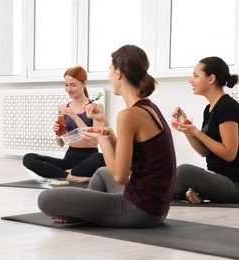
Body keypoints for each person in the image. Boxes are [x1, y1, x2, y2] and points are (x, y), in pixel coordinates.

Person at [38, 45, 176, 227]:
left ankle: (81, 211)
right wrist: (105, 125)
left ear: (118, 73)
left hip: (138, 210)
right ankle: (83, 211)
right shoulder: (148, 107)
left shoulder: (128, 115)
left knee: (46, 199)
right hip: (157, 209)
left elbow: (120, 176)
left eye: (110, 70)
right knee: (101, 173)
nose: (109, 75)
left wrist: (102, 138)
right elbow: (124, 157)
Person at [172, 56, 239, 204]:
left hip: (234, 183)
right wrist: (187, 130)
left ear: (211, 79)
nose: (191, 81)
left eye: (196, 76)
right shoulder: (208, 109)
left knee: (183, 172)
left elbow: (229, 154)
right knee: (175, 174)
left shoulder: (227, 106)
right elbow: (204, 151)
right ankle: (195, 193)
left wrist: (196, 132)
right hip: (217, 178)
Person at [23, 66, 106, 183]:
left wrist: (74, 117)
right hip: (69, 158)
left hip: (90, 158)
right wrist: (58, 133)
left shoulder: (95, 107)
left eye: (73, 85)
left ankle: (60, 174)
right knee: (29, 158)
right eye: (66, 85)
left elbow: (94, 141)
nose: (68, 89)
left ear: (84, 83)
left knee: (101, 159)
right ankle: (70, 176)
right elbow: (61, 143)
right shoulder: (62, 108)